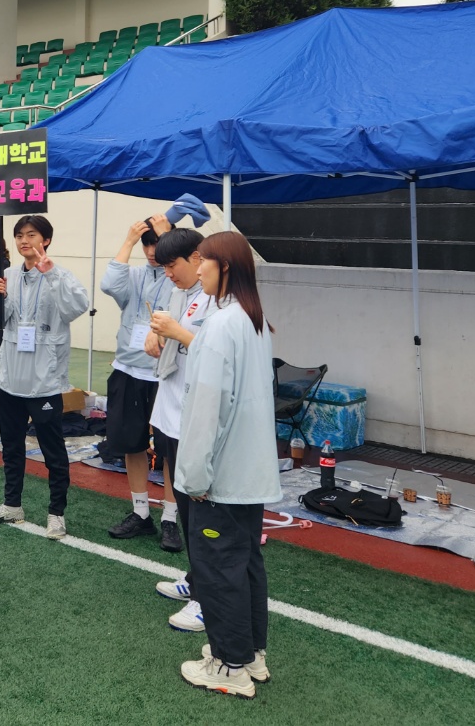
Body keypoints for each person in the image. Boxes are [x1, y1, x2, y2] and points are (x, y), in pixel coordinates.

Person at [174, 231, 280, 699]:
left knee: (219, 570)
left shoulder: (220, 326)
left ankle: (229, 664)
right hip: (249, 473)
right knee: (245, 564)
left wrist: (195, 477)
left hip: (223, 475)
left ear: (226, 268)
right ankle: (249, 654)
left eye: (205, 261)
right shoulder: (253, 321)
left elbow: (207, 409)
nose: (198, 269)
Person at [0, 215, 89, 540]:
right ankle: (12, 505)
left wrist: (50, 274)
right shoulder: (8, 274)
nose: (24, 241)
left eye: (32, 235)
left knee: (53, 451)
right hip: (11, 378)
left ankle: (56, 513)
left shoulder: (60, 274)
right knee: (11, 446)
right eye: (20, 235)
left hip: (44, 381)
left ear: (46, 240)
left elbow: (76, 307)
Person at [144, 228, 213, 632]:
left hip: (195, 415)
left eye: (173, 265)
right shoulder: (177, 293)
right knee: (186, 504)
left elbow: (217, 353)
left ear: (198, 258)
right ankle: (196, 577)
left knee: (203, 510)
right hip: (171, 408)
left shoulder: (221, 299)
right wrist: (155, 335)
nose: (168, 273)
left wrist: (175, 333)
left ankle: (208, 595)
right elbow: (167, 334)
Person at [99, 213, 176, 541]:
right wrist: (129, 240)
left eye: (157, 243)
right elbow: (108, 284)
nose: (151, 250)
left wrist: (170, 241)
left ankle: (171, 518)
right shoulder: (133, 275)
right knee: (132, 444)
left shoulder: (179, 277)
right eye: (147, 244)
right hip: (128, 369)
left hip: (166, 374)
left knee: (170, 449)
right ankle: (141, 512)